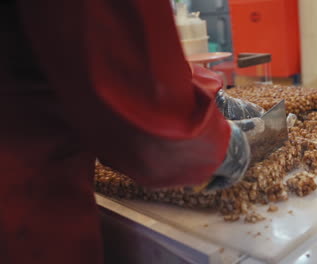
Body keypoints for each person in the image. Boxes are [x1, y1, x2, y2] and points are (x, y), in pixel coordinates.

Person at [0, 0, 256, 263]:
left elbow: (100, 47)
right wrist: (210, 142)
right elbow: (121, 61)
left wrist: (203, 90)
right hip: (27, 205)